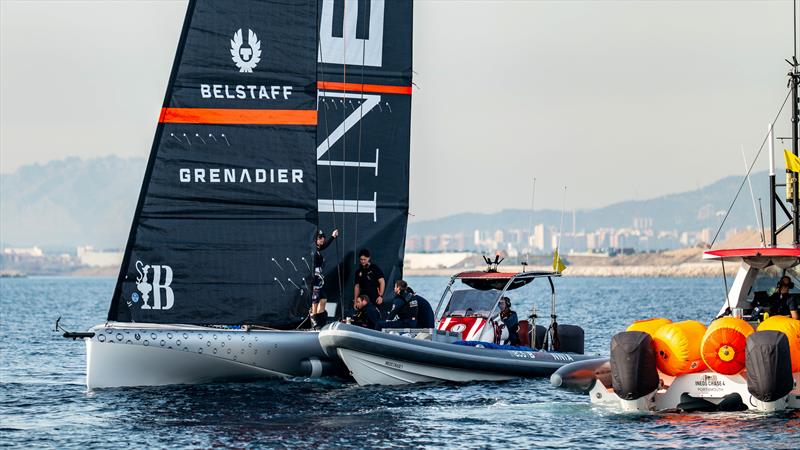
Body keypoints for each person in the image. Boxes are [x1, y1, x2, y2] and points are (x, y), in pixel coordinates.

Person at [310, 228, 339, 330]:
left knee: (323, 300)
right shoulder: (312, 250)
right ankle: (314, 324)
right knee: (315, 300)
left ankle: (321, 321)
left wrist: (333, 236)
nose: (322, 240)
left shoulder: (318, 250)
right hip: (314, 279)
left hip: (320, 279)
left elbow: (325, 245)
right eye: (319, 238)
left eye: (323, 238)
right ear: (315, 239)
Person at [353, 248, 386, 316]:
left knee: (374, 314)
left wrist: (380, 296)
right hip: (363, 297)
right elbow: (357, 286)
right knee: (363, 315)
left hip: (374, 296)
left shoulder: (374, 268)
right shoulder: (358, 271)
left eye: (364, 259)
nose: (363, 261)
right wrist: (355, 301)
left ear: (369, 258)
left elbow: (382, 281)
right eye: (361, 259)